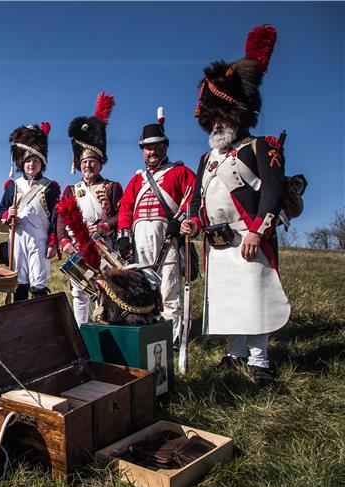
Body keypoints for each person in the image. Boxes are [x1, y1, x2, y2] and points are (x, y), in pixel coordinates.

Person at [182, 25, 289, 386]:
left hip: (249, 236)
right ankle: (235, 353)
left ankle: (259, 361)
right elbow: (200, 202)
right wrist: (193, 225)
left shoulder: (262, 147)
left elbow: (272, 193)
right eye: (212, 119)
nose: (217, 124)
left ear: (238, 114)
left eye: (223, 117)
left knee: (255, 299)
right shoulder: (205, 159)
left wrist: (258, 231)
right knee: (228, 300)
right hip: (218, 241)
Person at [117, 107, 196, 344]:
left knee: (169, 287)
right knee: (145, 288)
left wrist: (179, 221)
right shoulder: (137, 180)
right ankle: (150, 332)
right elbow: (126, 210)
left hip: (168, 235)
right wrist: (123, 237)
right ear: (142, 150)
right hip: (140, 236)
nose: (152, 151)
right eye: (148, 147)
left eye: (157, 146)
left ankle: (171, 338)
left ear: (165, 147)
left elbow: (193, 201)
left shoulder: (181, 172)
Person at [56, 93, 124, 325]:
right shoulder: (70, 190)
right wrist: (64, 242)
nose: (88, 166)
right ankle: (82, 330)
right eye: (84, 162)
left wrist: (105, 227)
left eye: (92, 162)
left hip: (105, 246)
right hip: (78, 246)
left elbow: (121, 216)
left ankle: (105, 329)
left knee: (107, 290)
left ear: (100, 163)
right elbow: (61, 220)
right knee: (79, 291)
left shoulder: (113, 187)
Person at [0, 122, 60, 301]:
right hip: (16, 239)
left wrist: (53, 242)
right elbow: (0, 210)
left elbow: (55, 218)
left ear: (42, 163)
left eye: (36, 160)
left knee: (39, 282)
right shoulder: (13, 186)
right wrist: (7, 215)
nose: (32, 164)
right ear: (22, 163)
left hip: (39, 239)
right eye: (28, 160)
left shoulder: (50, 187)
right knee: (19, 281)